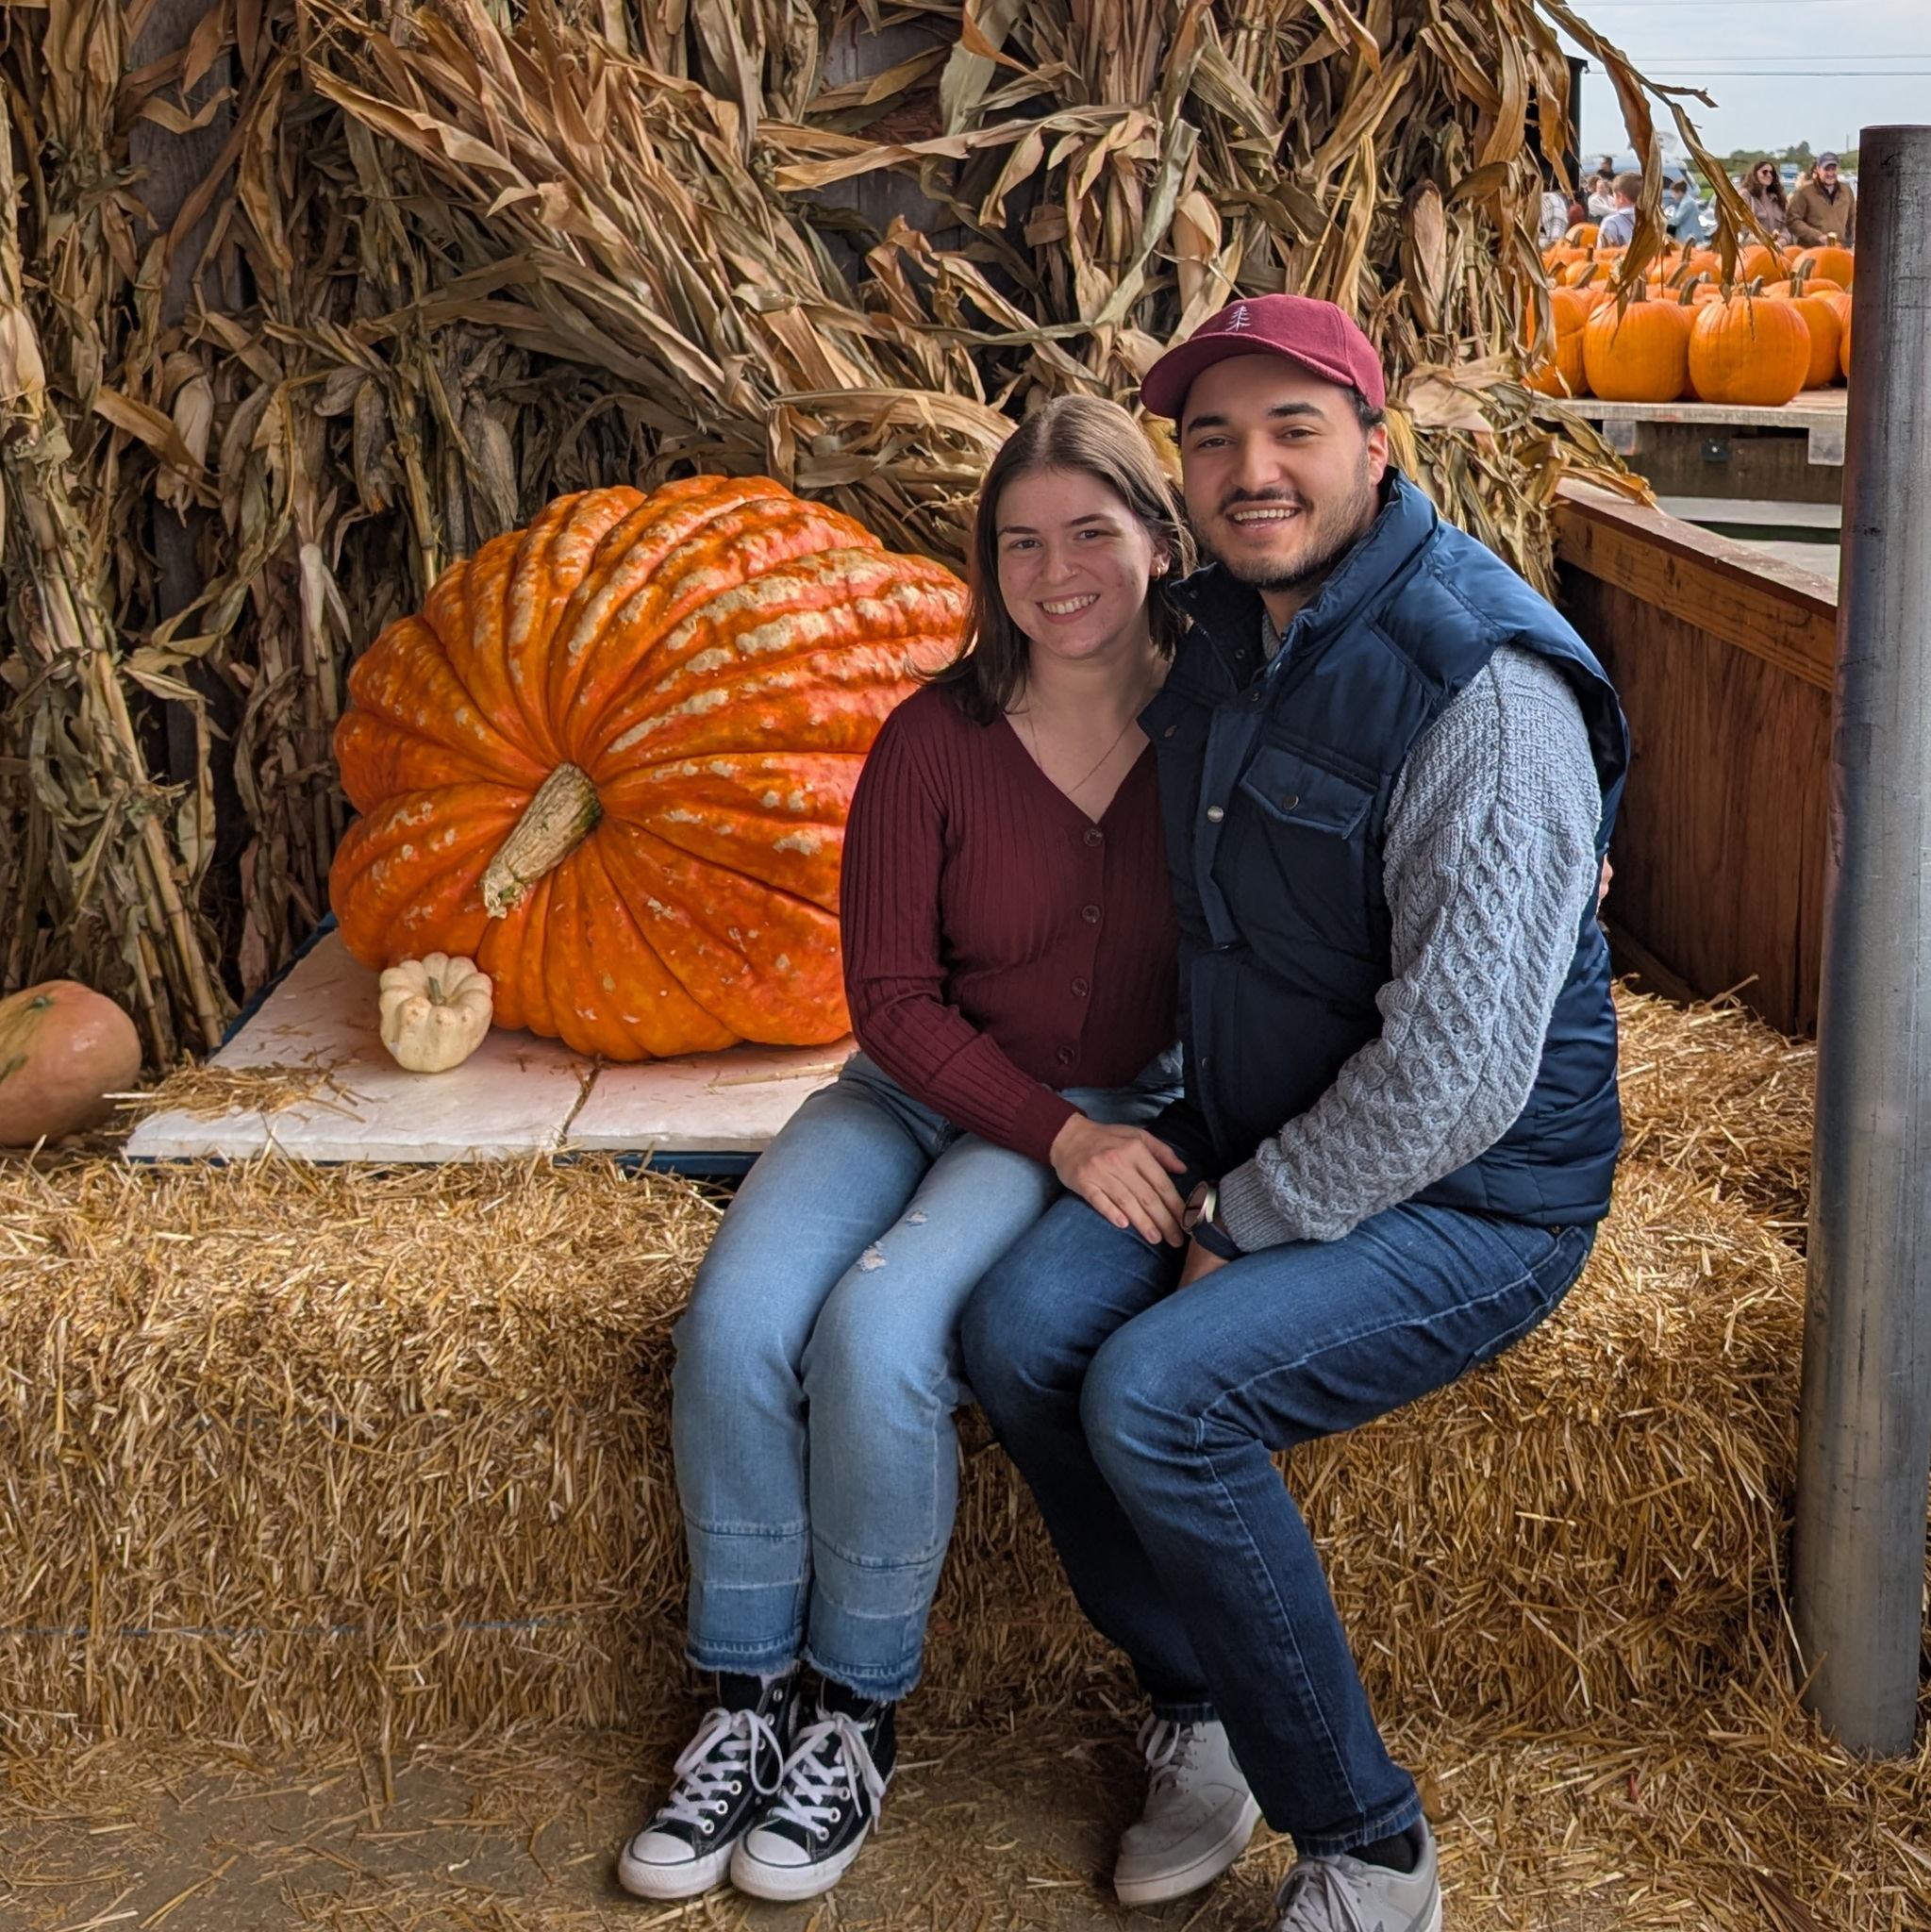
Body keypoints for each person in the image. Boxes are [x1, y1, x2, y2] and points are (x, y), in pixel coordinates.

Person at [962, 294, 1626, 1932]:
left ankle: (1369, 1843)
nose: (1248, 468)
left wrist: (1236, 1227)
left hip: (1473, 1187)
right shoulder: (1229, 628)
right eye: (1209, 437)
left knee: (1161, 1391)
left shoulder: (1478, 682)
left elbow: (1458, 1073)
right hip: (1252, 1111)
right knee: (1016, 1329)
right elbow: (1039, 665)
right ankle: (1198, 1710)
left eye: (1291, 431)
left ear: (1376, 447)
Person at [616, 396, 1193, 1903]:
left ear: (1157, 542)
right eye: (1019, 542)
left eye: (1089, 533)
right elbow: (886, 999)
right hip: (922, 1090)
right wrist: (1056, 1132)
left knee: (877, 1333)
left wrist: (1082, 1135)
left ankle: (853, 1716)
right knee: (736, 1321)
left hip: (1081, 1110)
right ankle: (745, 1702)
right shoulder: (931, 738)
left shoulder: (1216, 727)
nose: (1054, 571)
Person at [1789, 152, 1856, 245]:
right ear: (1818, 169)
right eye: (1826, 169)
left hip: (1839, 249)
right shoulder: (1804, 192)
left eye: (1833, 169)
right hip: (1811, 250)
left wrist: (1849, 243)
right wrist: (1817, 236)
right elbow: (1793, 221)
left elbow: (1852, 219)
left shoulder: (1847, 191)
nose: (1830, 173)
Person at [1739, 158, 1793, 243]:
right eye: (1764, 172)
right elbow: (1741, 226)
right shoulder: (1745, 195)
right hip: (1753, 250)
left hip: (1778, 250)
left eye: (1772, 173)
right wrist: (1760, 240)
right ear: (1754, 174)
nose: (1769, 175)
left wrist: (1783, 239)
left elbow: (1786, 226)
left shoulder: (1778, 198)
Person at [1596, 171, 1641, 247]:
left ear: (1620, 197)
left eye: (1613, 196)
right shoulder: (1654, 220)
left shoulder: (1611, 222)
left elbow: (1603, 255)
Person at [1666, 175, 1708, 244]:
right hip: (1689, 235)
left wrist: (1664, 223)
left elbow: (1677, 220)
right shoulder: (1686, 201)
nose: (1673, 196)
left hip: (1690, 236)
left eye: (1674, 193)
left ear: (1679, 192)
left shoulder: (1687, 203)